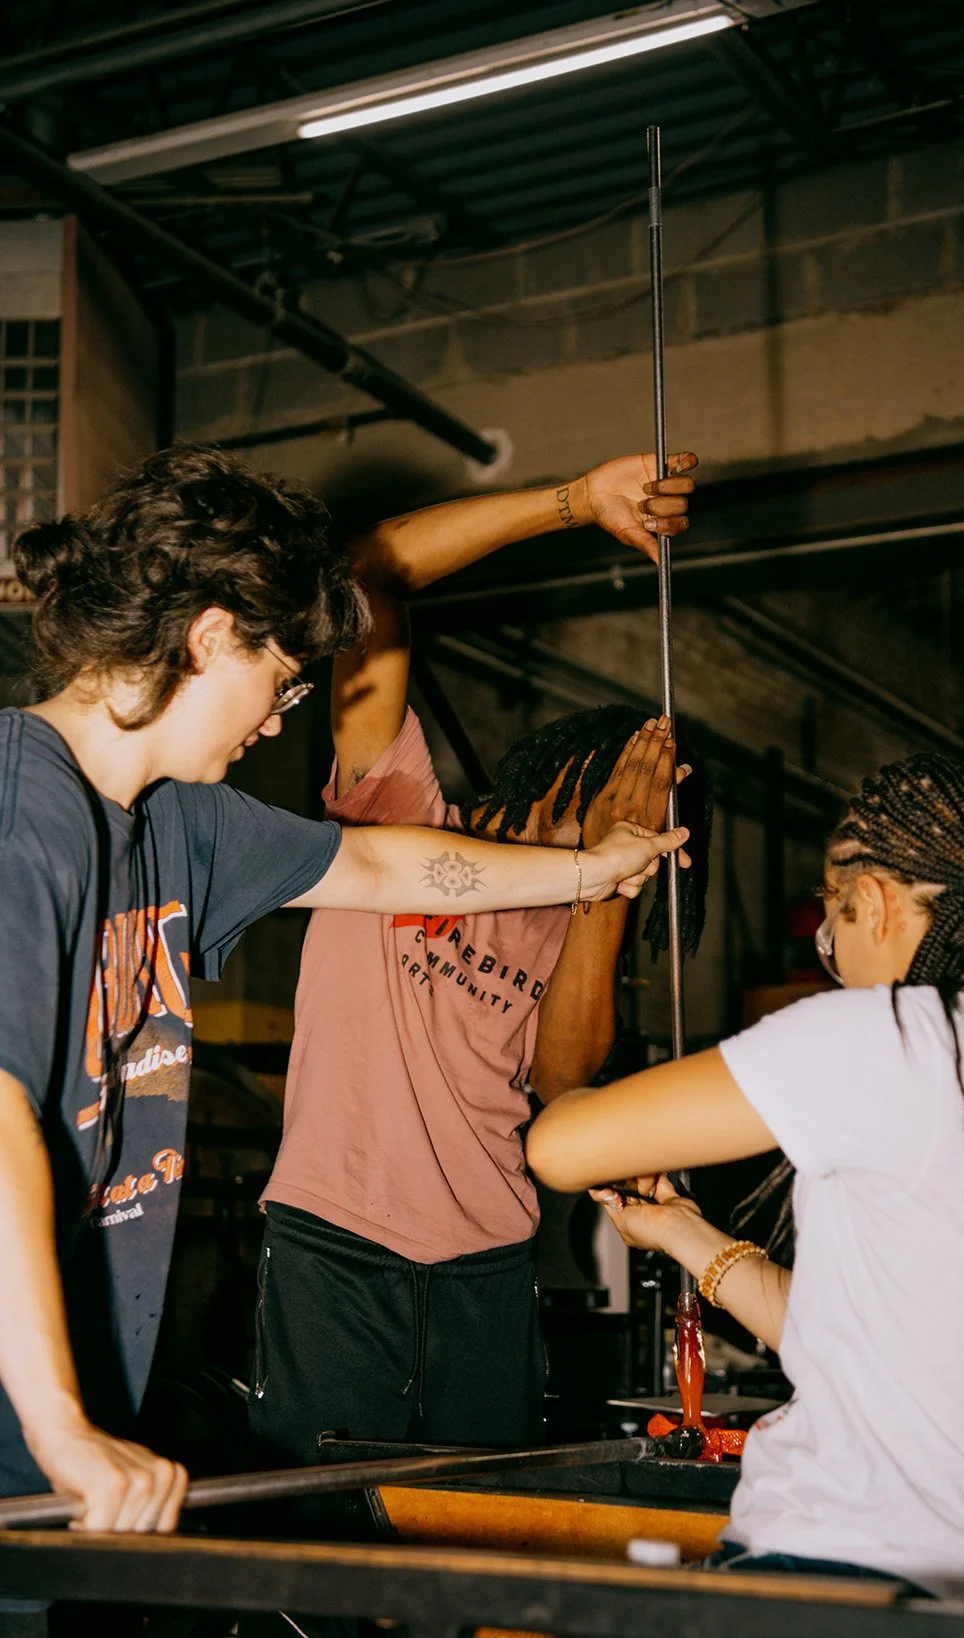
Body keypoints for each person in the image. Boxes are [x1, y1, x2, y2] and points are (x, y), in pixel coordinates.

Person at [0, 444, 684, 1629]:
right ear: (211, 636)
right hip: (36, 1410)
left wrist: (592, 873)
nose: (283, 719)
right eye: (282, 679)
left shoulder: (180, 827)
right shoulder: (23, 812)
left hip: (64, 1399)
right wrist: (59, 1423)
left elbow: (374, 865)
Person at [527, 751, 964, 1611]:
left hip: (836, 1581)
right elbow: (865, 1344)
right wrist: (683, 1232)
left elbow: (560, 1144)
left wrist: (600, 891)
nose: (830, 952)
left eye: (832, 922)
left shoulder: (905, 1037)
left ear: (871, 901)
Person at [249, 453, 711, 1476]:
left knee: (479, 1534)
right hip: (339, 1246)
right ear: (565, 771)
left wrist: (609, 884)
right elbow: (369, 571)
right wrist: (574, 503)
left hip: (490, 1268)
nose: (630, 820)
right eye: (621, 795)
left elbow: (562, 1083)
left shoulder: (571, 920)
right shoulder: (399, 808)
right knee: (325, 1533)